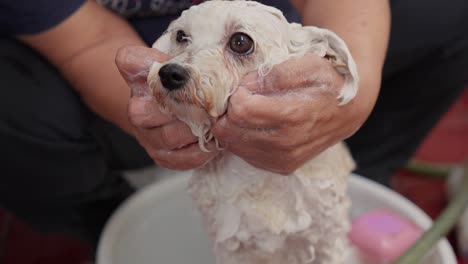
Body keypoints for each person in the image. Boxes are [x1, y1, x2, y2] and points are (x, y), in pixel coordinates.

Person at [0, 0, 467, 248]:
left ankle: (363, 172)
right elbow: (88, 42)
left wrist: (352, 98)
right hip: (100, 46)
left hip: (288, 23)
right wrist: (159, 118)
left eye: (239, 44)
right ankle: (109, 211)